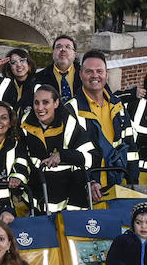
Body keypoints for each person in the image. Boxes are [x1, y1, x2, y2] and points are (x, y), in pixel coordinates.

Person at [18, 84, 95, 212]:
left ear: (56, 103)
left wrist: (62, 155)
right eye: (36, 103)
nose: (40, 108)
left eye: (45, 102)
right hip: (37, 198)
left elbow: (91, 156)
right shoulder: (25, 125)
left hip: (70, 201)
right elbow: (20, 156)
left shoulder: (70, 124)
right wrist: (18, 177)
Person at [71, 50, 135, 199]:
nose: (95, 76)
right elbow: (71, 151)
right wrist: (88, 181)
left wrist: (133, 181)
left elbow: (130, 147)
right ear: (80, 75)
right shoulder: (70, 108)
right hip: (89, 189)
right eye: (89, 71)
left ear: (106, 74)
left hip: (119, 184)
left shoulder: (118, 106)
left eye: (100, 71)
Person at [0, 47, 37, 113]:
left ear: (28, 63)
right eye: (13, 62)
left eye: (22, 60)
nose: (19, 65)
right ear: (9, 67)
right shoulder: (2, 83)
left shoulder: (38, 84)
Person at [34, 34, 81, 102]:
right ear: (53, 52)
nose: (63, 50)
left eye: (68, 47)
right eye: (58, 47)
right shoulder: (39, 78)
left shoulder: (86, 74)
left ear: (74, 54)